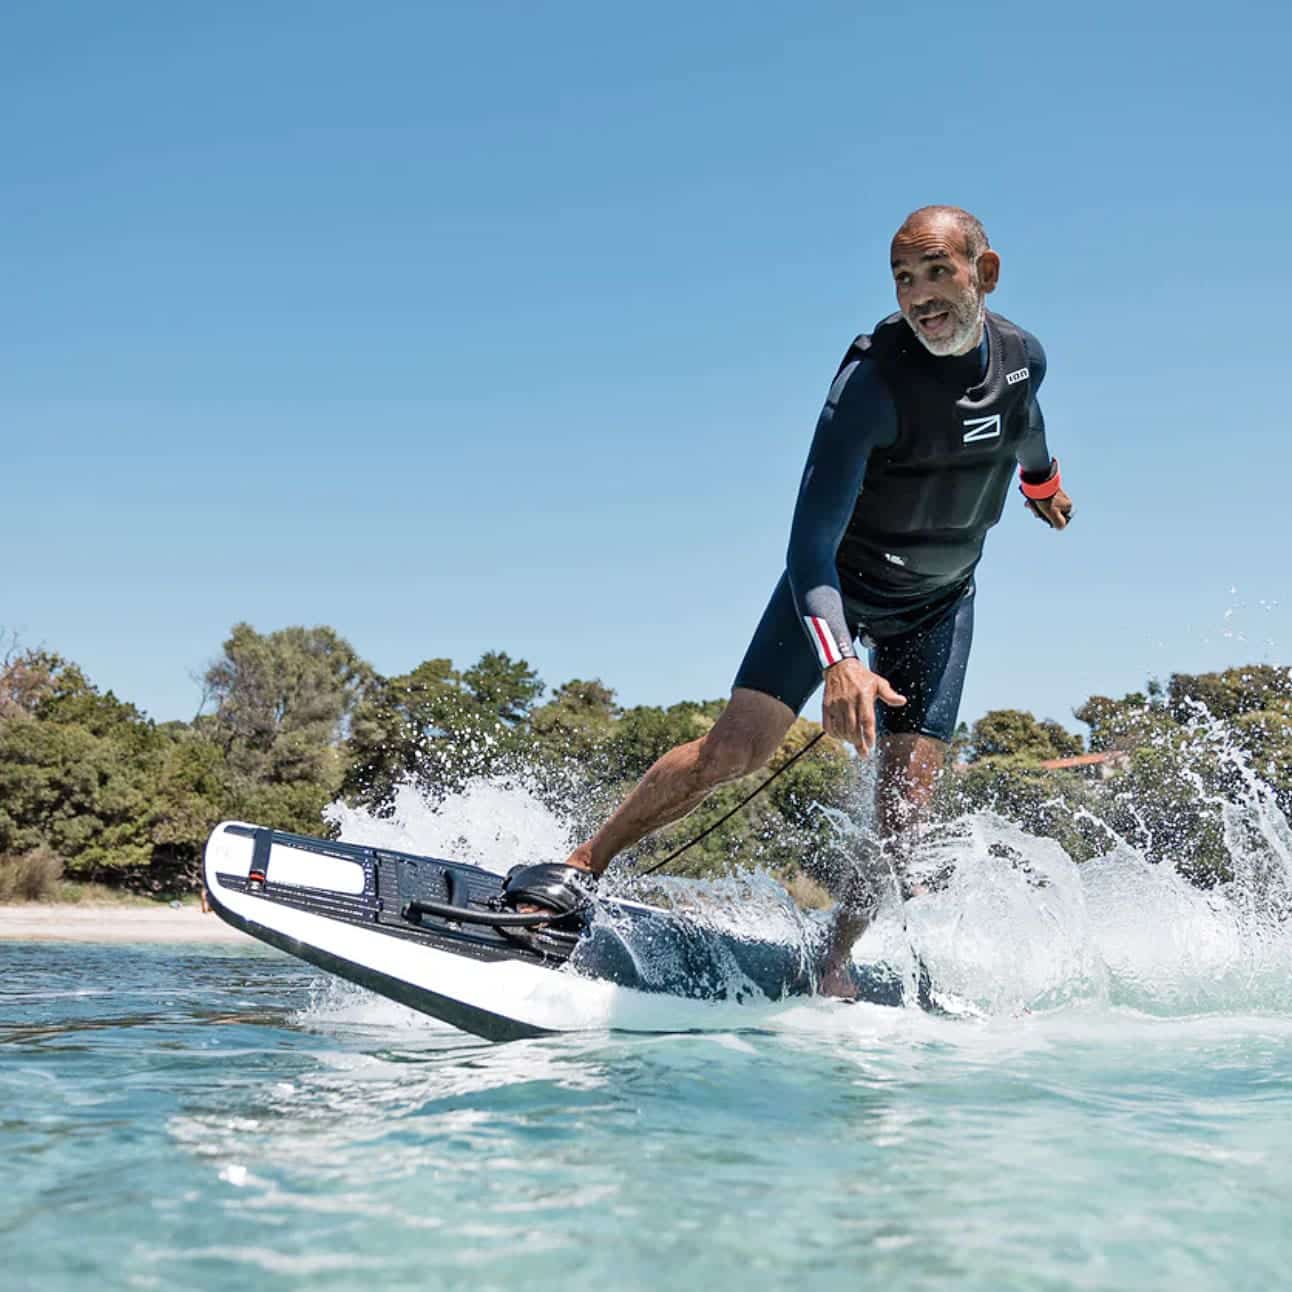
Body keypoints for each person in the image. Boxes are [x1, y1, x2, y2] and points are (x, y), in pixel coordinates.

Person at [505, 205, 1073, 995]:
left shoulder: (1022, 358)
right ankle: (577, 867)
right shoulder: (871, 385)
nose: (920, 296)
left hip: (941, 603)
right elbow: (807, 546)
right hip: (837, 588)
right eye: (904, 279)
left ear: (986, 271)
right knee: (734, 752)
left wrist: (1043, 485)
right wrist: (840, 659)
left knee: (903, 822)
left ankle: (831, 958)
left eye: (937, 272)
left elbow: (1026, 425)